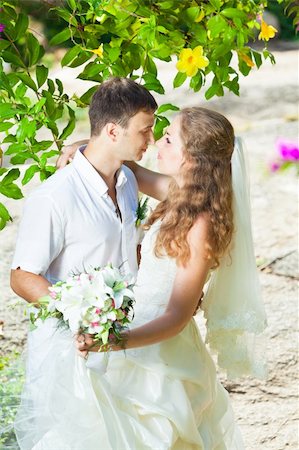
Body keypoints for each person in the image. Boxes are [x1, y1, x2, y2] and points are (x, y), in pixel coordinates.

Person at [14, 99, 266, 449]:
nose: (154, 143)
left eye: (167, 139)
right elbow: (122, 160)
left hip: (160, 350)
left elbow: (177, 316)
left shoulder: (203, 222)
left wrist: (116, 341)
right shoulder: (182, 195)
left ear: (191, 158)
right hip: (130, 330)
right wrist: (82, 147)